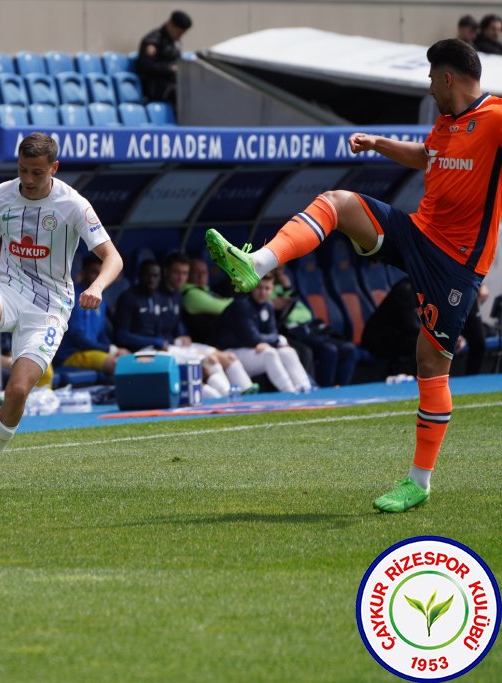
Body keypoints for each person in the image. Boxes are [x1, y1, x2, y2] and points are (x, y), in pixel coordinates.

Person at [205, 39, 499, 512]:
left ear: (448, 77)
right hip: (418, 232)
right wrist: (379, 144)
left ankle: (419, 483)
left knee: (430, 364)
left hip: (457, 263)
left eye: (430, 79)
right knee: (338, 202)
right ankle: (256, 263)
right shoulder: (446, 122)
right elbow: (427, 157)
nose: (427, 89)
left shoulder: (496, 118)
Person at [0, 133, 124, 490]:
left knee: (19, 390)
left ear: (54, 168)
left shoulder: (73, 204)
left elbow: (113, 257)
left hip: (51, 305)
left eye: (37, 172)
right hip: (9, 288)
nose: (29, 180)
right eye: (23, 170)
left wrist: (97, 286)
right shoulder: (0, 196)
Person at [114, 254, 252, 398]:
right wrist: (159, 341)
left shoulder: (165, 296)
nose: (152, 280)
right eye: (148, 275)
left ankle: (235, 393)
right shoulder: (130, 297)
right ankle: (226, 395)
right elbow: (122, 335)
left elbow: (167, 328)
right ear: (139, 275)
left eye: (155, 276)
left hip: (166, 348)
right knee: (206, 363)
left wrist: (179, 337)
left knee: (216, 359)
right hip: (146, 352)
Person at [212, 274, 313, 395]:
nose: (263, 292)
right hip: (230, 353)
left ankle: (305, 388)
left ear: (272, 289)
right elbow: (252, 338)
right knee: (269, 353)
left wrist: (273, 340)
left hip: (253, 350)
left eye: (267, 288)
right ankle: (290, 392)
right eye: (259, 288)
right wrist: (274, 341)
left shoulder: (268, 305)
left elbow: (273, 333)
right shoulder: (242, 305)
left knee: (287, 351)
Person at [271, 265, 357, 387]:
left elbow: (300, 306)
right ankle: (325, 392)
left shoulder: (288, 288)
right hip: (293, 331)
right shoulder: (267, 288)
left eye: (282, 269)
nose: (281, 273)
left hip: (310, 328)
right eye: (277, 270)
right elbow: (279, 308)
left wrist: (287, 287)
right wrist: (285, 292)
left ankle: (342, 390)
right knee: (329, 350)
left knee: (349, 348)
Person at [53, 253, 129, 377]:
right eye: (93, 272)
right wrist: (110, 350)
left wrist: (112, 348)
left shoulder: (101, 297)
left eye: (100, 273)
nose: (97, 277)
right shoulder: (72, 296)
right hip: (71, 354)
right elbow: (77, 338)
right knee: (117, 364)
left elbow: (101, 333)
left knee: (127, 358)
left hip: (92, 352)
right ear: (84, 272)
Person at [137, 9, 191, 105]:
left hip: (171, 84)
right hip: (155, 87)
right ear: (170, 24)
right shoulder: (153, 40)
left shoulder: (175, 42)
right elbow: (146, 66)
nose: (180, 37)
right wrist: (170, 69)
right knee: (185, 95)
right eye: (179, 33)